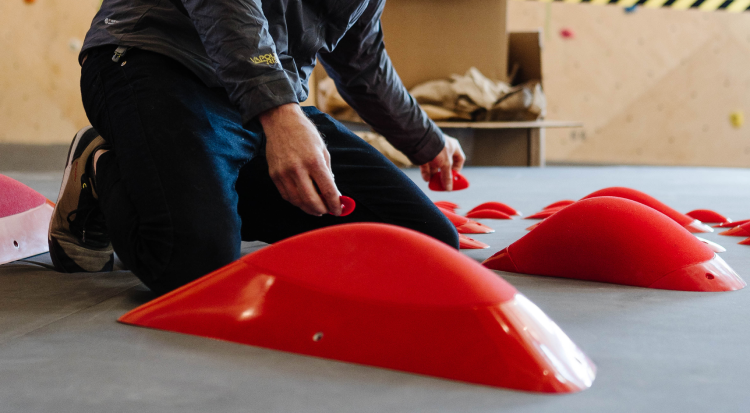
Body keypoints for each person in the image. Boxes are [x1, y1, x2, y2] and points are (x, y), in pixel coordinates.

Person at [48, 0, 465, 294]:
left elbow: (364, 59)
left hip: (259, 95)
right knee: (194, 264)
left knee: (424, 245)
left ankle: (201, 192)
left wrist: (427, 140)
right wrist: (279, 111)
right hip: (158, 60)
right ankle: (104, 168)